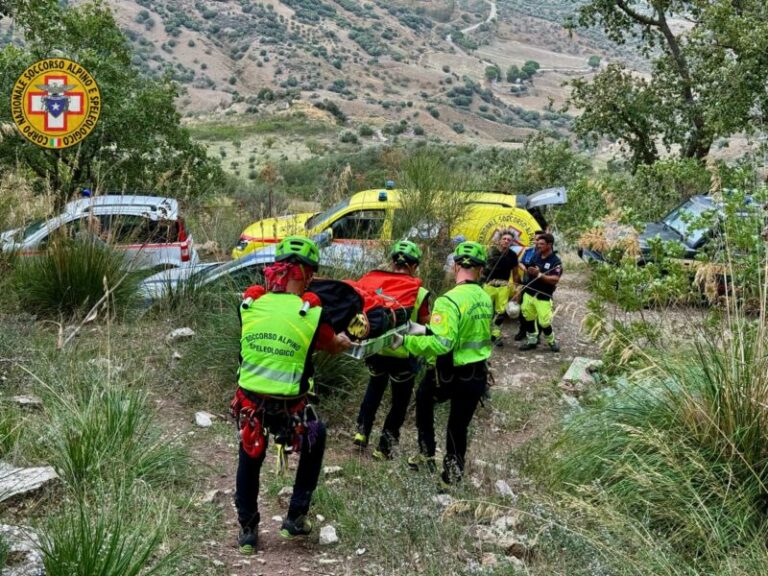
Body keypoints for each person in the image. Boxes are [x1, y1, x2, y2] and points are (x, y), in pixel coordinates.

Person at [230, 236, 352, 555]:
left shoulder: (250, 304)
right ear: (307, 274)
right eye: (310, 273)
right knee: (317, 436)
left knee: (250, 454)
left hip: (250, 403)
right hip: (291, 407)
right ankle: (295, 517)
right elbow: (332, 345)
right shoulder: (310, 313)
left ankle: (247, 529)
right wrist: (343, 342)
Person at [392, 241, 494, 489]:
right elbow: (459, 333)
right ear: (480, 269)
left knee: (425, 401)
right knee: (458, 425)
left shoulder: (449, 301)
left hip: (449, 373)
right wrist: (425, 328)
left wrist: (405, 341)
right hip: (477, 373)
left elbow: (442, 344)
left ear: (457, 265)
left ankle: (427, 453)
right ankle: (452, 476)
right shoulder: (485, 297)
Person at [353, 240, 431, 459]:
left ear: (392, 261)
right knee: (399, 402)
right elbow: (425, 324)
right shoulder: (420, 292)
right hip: (403, 354)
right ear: (414, 266)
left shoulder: (377, 284)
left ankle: (361, 433)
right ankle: (384, 447)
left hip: (377, 350)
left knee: (373, 391)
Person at [518, 233, 562, 352]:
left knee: (544, 322)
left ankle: (552, 341)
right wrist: (529, 271)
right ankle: (532, 341)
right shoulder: (536, 255)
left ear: (550, 245)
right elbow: (528, 268)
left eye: (542, 244)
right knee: (528, 317)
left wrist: (539, 275)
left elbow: (555, 279)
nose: (538, 246)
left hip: (543, 296)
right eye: (538, 243)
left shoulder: (555, 262)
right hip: (529, 292)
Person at [482, 229, 520, 347]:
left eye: (509, 240)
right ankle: (483, 334)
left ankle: (496, 334)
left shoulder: (513, 255)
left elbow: (515, 273)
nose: (506, 241)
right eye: (504, 239)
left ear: (512, 242)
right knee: (485, 310)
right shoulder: (490, 252)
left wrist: (517, 289)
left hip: (504, 286)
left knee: (501, 312)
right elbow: (481, 269)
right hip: (489, 285)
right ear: (499, 240)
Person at [514, 230, 544, 341]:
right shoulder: (529, 251)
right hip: (526, 283)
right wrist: (525, 269)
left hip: (539, 286)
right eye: (535, 239)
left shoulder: (545, 254)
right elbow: (520, 262)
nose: (536, 242)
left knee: (537, 310)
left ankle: (537, 334)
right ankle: (523, 330)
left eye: (539, 240)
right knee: (524, 309)